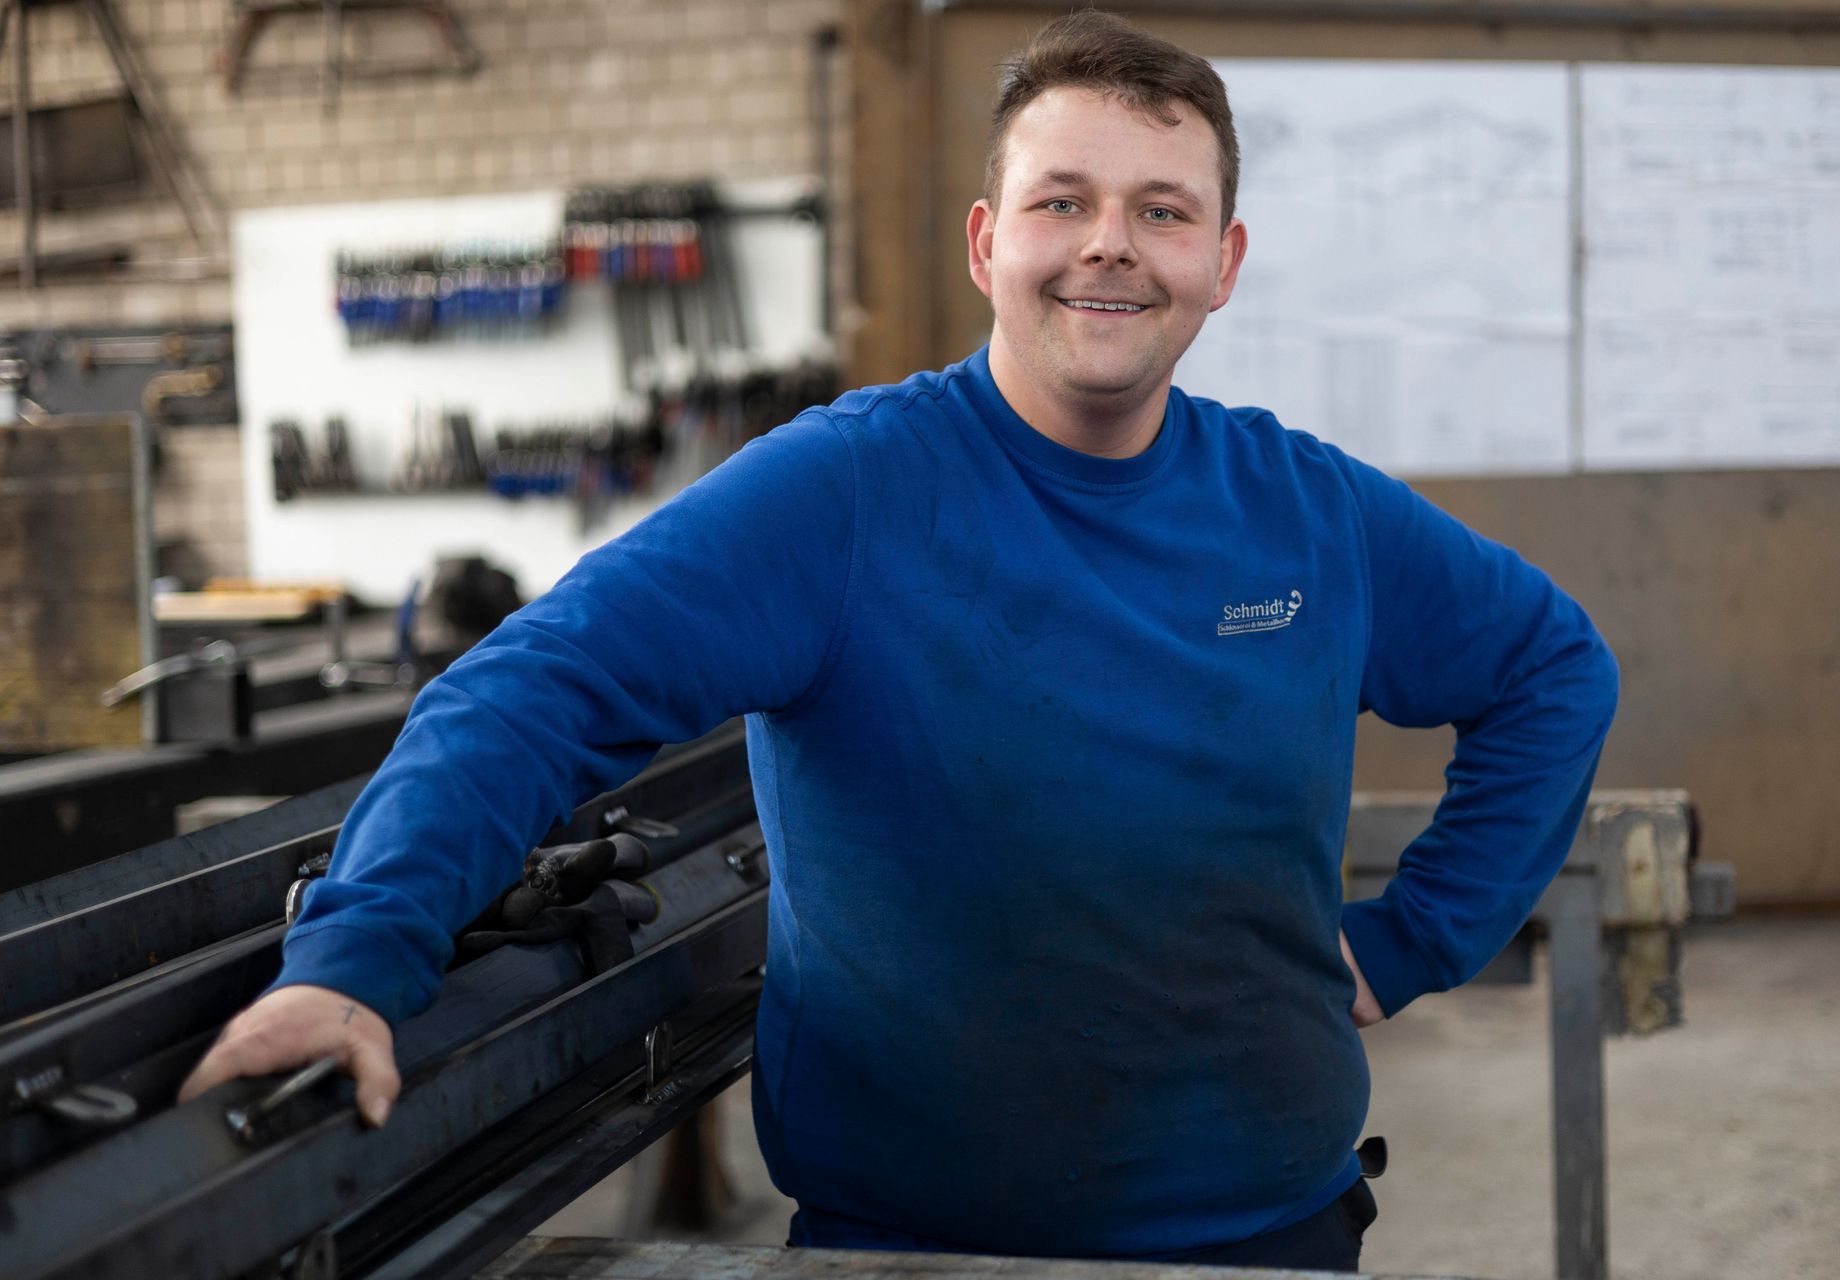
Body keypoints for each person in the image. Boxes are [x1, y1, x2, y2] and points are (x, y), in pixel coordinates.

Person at [181, 11, 1617, 1273]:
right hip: (910, 1251)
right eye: (1064, 201)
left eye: (1163, 211)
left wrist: (1412, 940)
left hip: (1272, 1234)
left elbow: (1553, 669)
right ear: (991, 241)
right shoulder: (845, 494)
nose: (1112, 243)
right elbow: (534, 686)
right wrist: (350, 961)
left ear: (1223, 262)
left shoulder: (1310, 515)